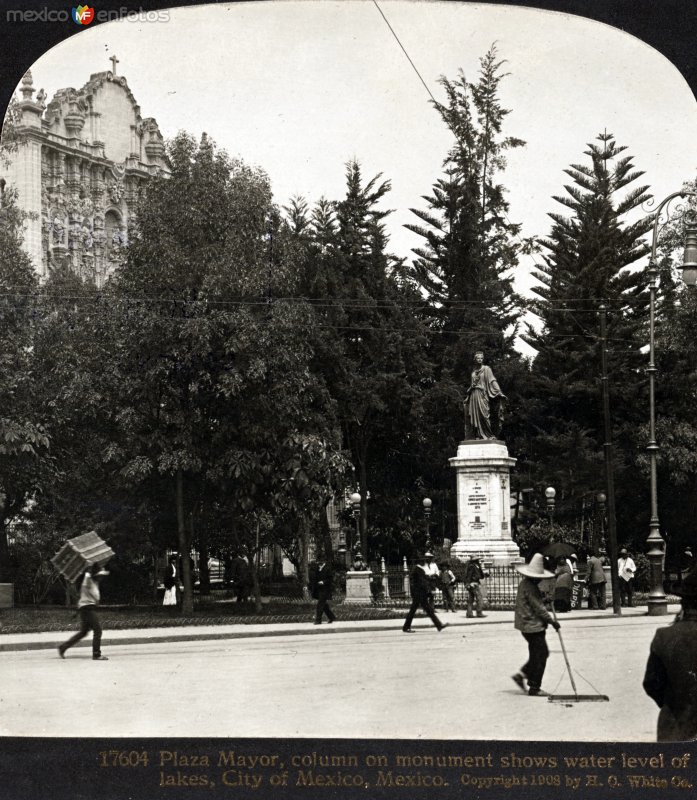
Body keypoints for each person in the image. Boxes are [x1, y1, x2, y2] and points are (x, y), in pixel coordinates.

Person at [642, 570, 697, 741]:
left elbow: (651, 684)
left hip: (675, 726)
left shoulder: (664, 636)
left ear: (684, 604)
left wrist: (674, 702)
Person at [511, 553, 560, 696]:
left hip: (526, 625)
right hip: (532, 626)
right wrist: (553, 622)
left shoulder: (525, 584)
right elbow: (539, 609)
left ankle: (522, 676)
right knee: (541, 654)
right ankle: (534, 687)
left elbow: (533, 602)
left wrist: (544, 599)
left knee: (537, 654)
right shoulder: (531, 587)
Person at [58, 562, 110, 660]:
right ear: (95, 575)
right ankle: (96, 654)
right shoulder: (88, 580)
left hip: (86, 608)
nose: (101, 578)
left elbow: (88, 597)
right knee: (98, 630)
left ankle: (63, 647)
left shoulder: (95, 583)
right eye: (99, 575)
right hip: (87, 608)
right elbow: (86, 580)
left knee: (83, 632)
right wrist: (88, 570)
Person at [464, 351, 506, 440]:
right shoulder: (473, 372)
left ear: (483, 359)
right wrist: (469, 391)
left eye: (481, 358)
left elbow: (492, 380)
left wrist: (499, 391)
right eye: (478, 358)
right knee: (475, 416)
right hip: (473, 395)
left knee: (484, 415)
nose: (480, 360)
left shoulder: (487, 369)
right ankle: (478, 435)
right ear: (475, 360)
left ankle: (488, 435)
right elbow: (471, 386)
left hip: (482, 395)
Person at [403, 554, 447, 633]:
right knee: (421, 610)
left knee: (427, 610)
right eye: (423, 561)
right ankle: (406, 627)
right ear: (420, 562)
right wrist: (428, 590)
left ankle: (438, 625)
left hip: (420, 594)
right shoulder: (418, 570)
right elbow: (422, 582)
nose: (425, 562)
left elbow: (424, 580)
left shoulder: (419, 570)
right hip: (419, 594)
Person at [310, 558, 335, 625]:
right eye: (318, 562)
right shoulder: (317, 568)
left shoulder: (327, 569)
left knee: (320, 604)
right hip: (319, 589)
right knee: (324, 605)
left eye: (320, 562)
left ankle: (318, 620)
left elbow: (330, 579)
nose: (319, 563)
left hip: (325, 589)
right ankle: (331, 617)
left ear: (324, 561)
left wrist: (323, 582)